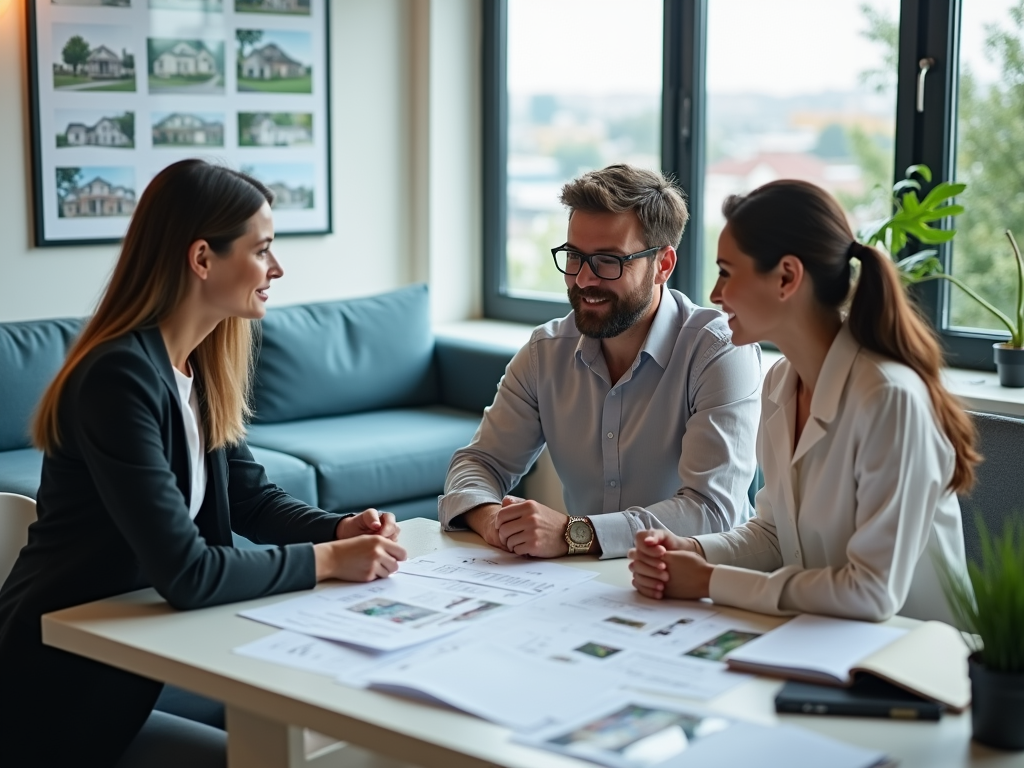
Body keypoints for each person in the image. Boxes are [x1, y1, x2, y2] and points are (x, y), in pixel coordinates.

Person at [0, 159, 407, 767]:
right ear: (201, 259)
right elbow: (186, 573)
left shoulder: (198, 368)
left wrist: (338, 528)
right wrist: (330, 561)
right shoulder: (118, 378)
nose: (277, 268)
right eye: (263, 248)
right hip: (55, 695)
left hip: (123, 673)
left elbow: (252, 501)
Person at [628, 179, 977, 622]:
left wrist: (708, 581)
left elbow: (872, 593)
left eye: (727, 272)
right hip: (823, 641)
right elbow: (777, 536)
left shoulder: (889, 398)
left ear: (787, 277)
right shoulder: (779, 384)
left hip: (909, 662)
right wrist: (695, 551)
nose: (716, 294)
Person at [439, 164, 762, 559]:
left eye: (608, 261)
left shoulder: (718, 351)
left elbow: (712, 511)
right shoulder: (547, 352)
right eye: (574, 257)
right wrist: (492, 520)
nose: (584, 280)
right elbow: (479, 464)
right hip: (584, 584)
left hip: (700, 585)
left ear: (663, 265)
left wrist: (576, 534)